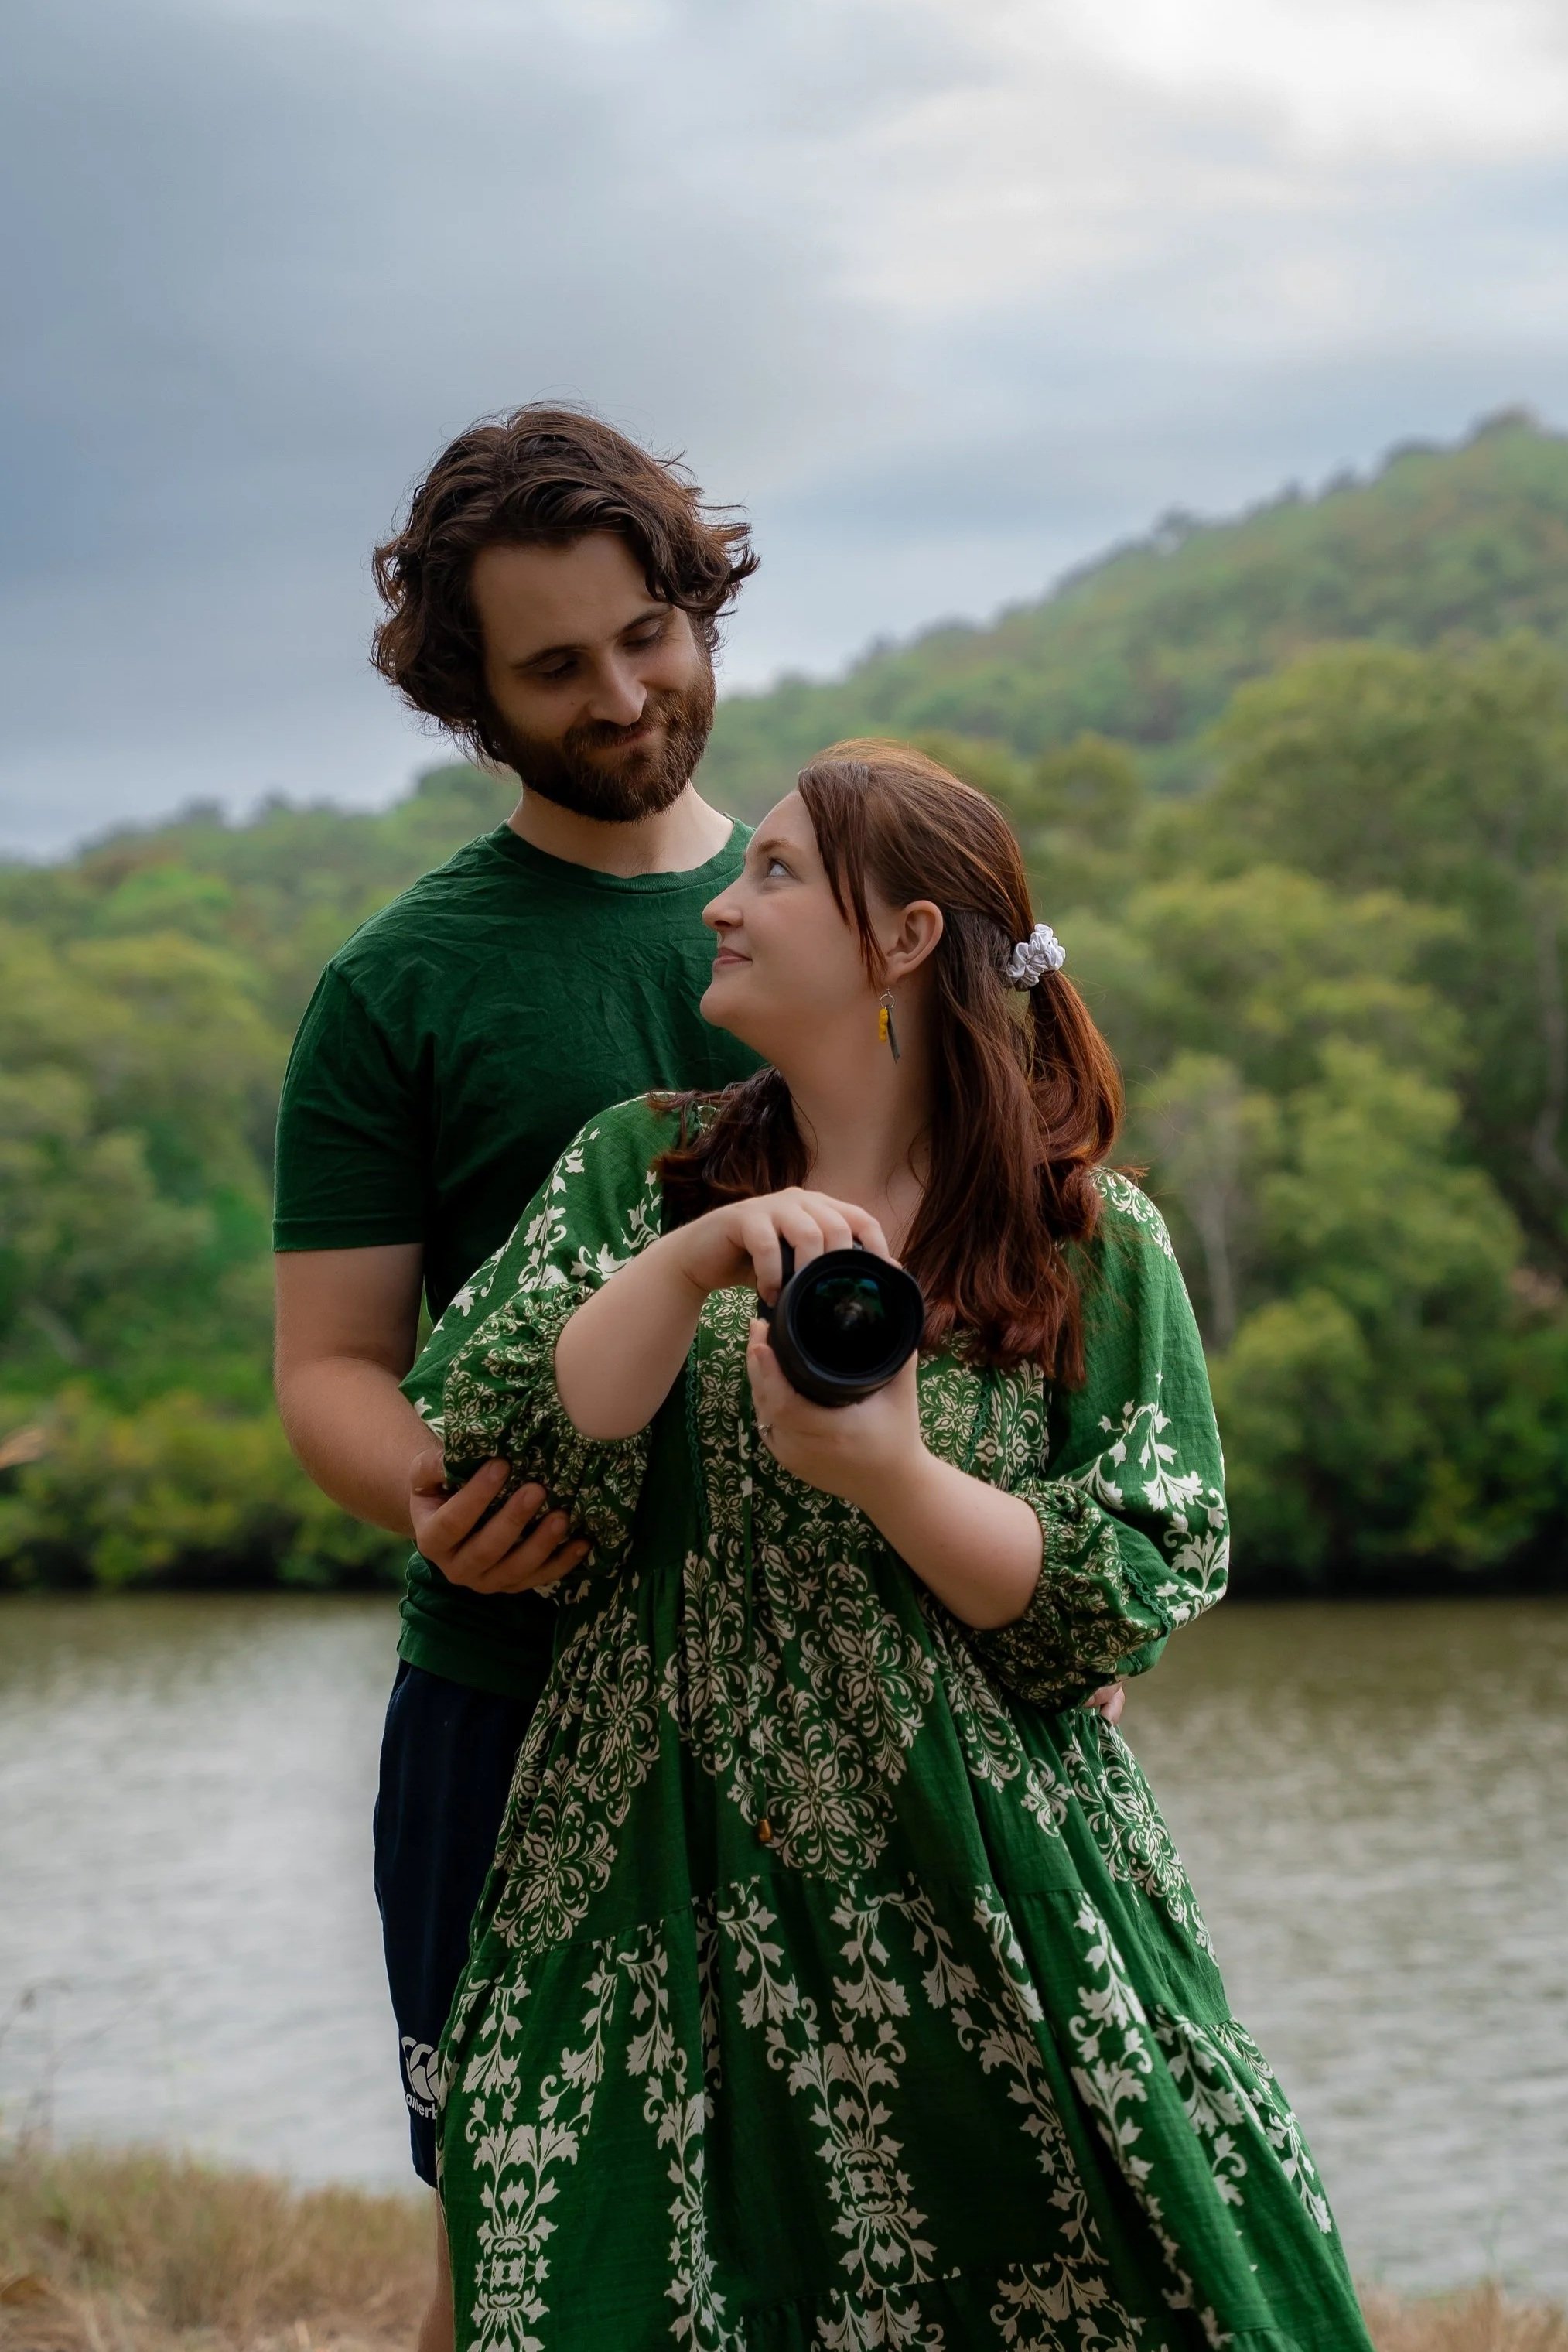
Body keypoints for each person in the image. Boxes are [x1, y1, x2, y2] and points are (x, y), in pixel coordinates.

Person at [405, 741, 1374, 2351]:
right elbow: (499, 1438)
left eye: (775, 872)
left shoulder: (1084, 1234)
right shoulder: (638, 1168)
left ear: (905, 938)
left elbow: (1110, 1599)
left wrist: (895, 1473)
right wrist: (686, 1265)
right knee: (605, 2287)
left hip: (988, 1869)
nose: (723, 902)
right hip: (656, 1858)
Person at [271, 408, 765, 2351]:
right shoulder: (400, 981)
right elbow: (326, 1365)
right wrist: (427, 1497)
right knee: (528, 2251)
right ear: (471, 692)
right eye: (557, 666)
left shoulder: (866, 908)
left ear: (697, 603)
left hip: (827, 1682)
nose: (626, 694)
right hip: (510, 1689)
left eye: (648, 633)